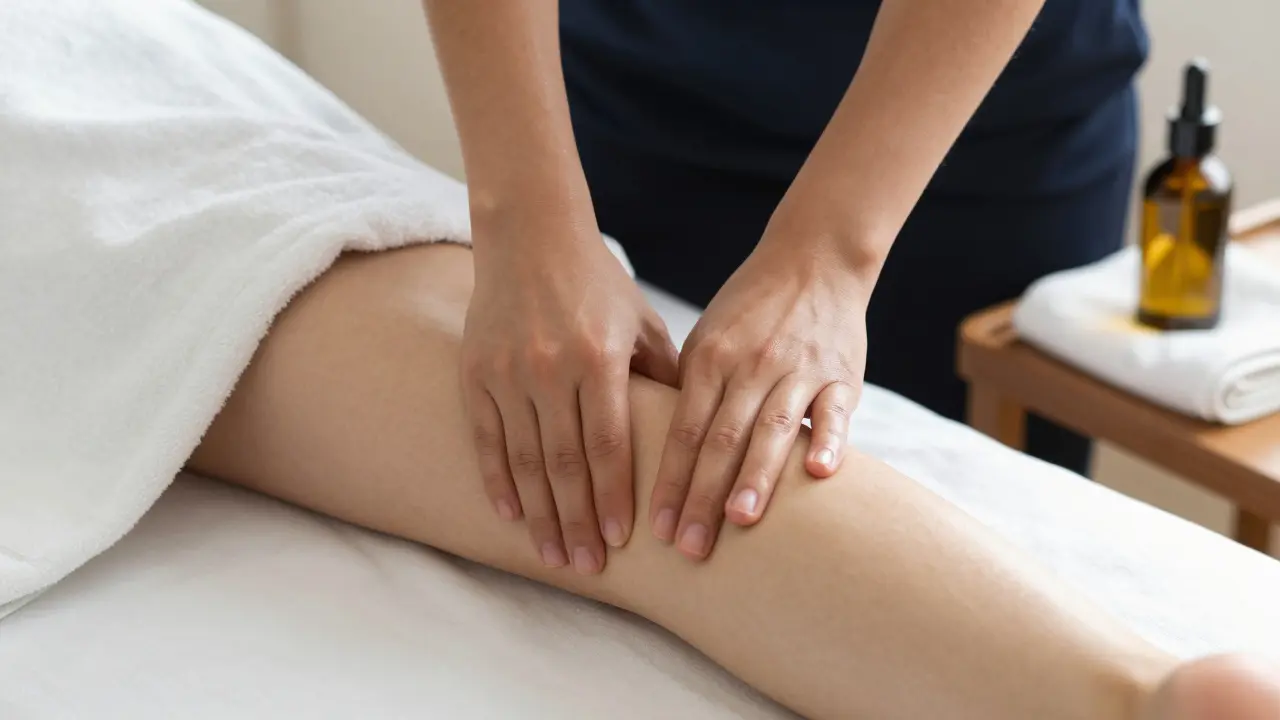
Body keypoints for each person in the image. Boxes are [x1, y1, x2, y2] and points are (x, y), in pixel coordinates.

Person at [187, 241, 1280, 720]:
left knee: (629, 448)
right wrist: (523, 217)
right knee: (639, 435)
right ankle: (1126, 694)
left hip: (960, 95)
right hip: (648, 68)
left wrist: (835, 254)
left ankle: (1128, 704)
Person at [421, 1, 1148, 573]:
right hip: (632, 93)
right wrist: (524, 219)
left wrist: (831, 252)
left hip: (967, 113)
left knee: (998, 538)